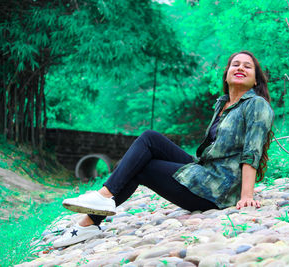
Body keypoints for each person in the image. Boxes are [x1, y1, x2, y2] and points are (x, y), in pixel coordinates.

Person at [53, 51, 274, 248]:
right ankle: (100, 202)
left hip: (217, 190)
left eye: (247, 66)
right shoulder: (222, 104)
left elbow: (251, 151)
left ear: (256, 81)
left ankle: (91, 217)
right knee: (150, 138)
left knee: (143, 168)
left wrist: (246, 196)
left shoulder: (256, 105)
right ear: (227, 75)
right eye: (235, 64)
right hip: (204, 171)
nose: (240, 68)